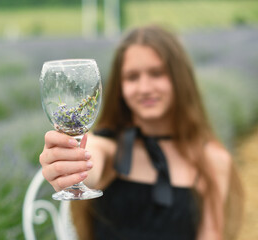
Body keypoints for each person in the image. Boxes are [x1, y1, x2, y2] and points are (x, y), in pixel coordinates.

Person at [39, 25, 243, 240]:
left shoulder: (212, 159)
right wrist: (69, 164)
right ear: (120, 86)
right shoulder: (112, 146)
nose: (144, 88)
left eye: (157, 73)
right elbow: (92, 161)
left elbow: (210, 235)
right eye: (132, 77)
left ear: (180, 79)